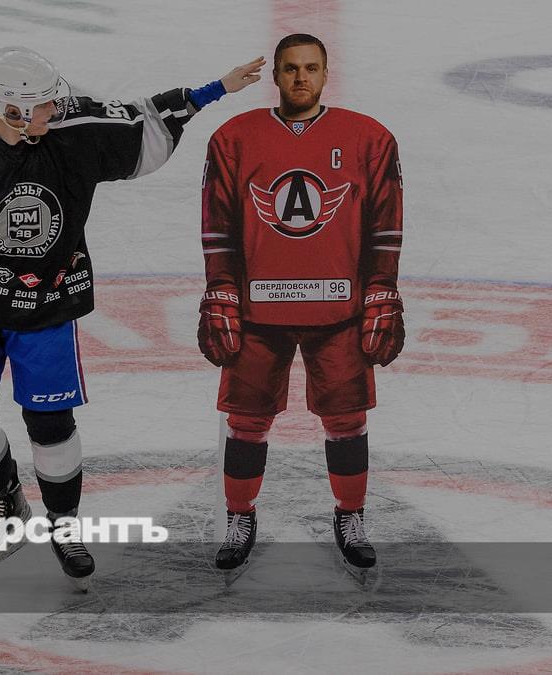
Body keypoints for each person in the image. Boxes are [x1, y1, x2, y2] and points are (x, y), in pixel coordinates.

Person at [0, 46, 263, 590]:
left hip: (48, 305)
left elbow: (143, 119)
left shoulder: (72, 132)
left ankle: (63, 524)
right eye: (43, 104)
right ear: (12, 109)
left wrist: (217, 88)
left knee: (50, 424)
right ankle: (5, 504)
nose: (56, 108)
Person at [198, 33, 405, 580]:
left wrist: (381, 288)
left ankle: (351, 516)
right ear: (276, 74)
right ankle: (239, 517)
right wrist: (221, 288)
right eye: (290, 68)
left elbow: (385, 223)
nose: (300, 78)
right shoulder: (234, 138)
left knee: (347, 419)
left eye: (311, 68)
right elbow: (218, 224)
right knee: (246, 420)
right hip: (256, 311)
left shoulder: (369, 138)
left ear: (326, 72)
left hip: (340, 310)